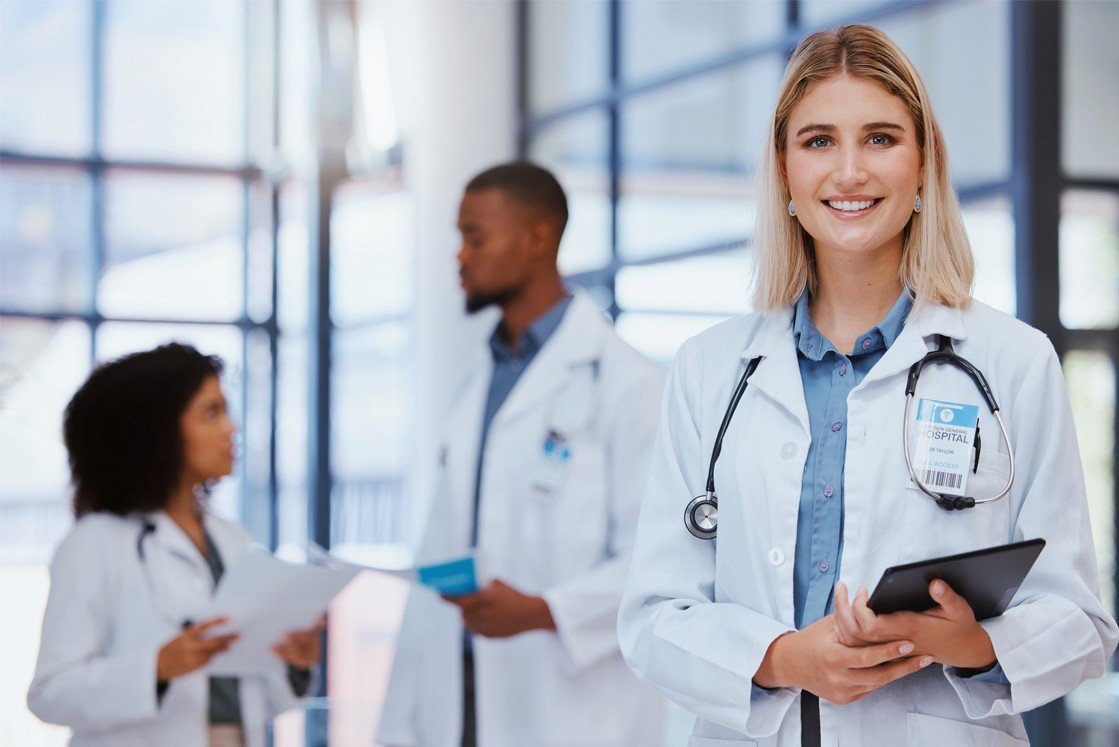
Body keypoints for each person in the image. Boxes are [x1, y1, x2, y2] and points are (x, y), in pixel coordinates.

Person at [618, 24, 1118, 746]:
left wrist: (970, 645)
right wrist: (783, 657)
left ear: (922, 166)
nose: (848, 171)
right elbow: (653, 615)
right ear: (784, 170)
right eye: (818, 141)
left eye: (880, 138)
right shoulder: (708, 369)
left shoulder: (1013, 360)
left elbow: (1079, 622)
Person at [377, 162, 666, 747]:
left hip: (574, 712)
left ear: (537, 239)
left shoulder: (631, 384)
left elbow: (657, 565)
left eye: (474, 236)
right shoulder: (477, 382)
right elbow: (439, 550)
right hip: (461, 703)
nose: (459, 255)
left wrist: (543, 611)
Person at [28, 343, 322, 747]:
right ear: (159, 431)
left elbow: (244, 698)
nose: (231, 429)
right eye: (211, 413)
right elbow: (50, 693)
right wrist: (155, 669)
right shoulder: (95, 543)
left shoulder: (231, 539)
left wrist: (294, 663)